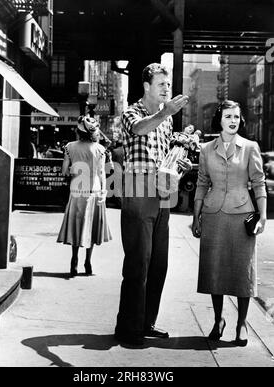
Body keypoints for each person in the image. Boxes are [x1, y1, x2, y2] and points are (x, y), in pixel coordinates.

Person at [114, 63, 192, 345]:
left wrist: (178, 162)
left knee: (159, 263)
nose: (166, 90)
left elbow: (164, 153)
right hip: (138, 190)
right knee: (138, 261)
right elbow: (138, 129)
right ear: (146, 86)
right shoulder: (132, 112)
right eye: (161, 85)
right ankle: (129, 328)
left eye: (167, 85)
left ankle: (147, 322)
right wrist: (165, 113)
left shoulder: (167, 119)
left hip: (162, 190)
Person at [191, 100, 267, 347]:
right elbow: (202, 182)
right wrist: (196, 217)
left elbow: (258, 183)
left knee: (242, 272)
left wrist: (263, 215)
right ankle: (218, 320)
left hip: (242, 216)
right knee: (215, 271)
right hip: (213, 215)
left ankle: (242, 323)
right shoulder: (206, 149)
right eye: (228, 117)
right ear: (219, 120)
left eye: (236, 117)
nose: (233, 121)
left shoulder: (250, 147)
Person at [57, 115, 112, 277]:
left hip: (76, 192)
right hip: (94, 191)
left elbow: (64, 171)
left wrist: (74, 170)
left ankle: (74, 259)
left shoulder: (69, 147)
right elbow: (102, 173)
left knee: (76, 227)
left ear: (79, 132)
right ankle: (88, 261)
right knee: (92, 229)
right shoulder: (100, 150)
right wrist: (104, 191)